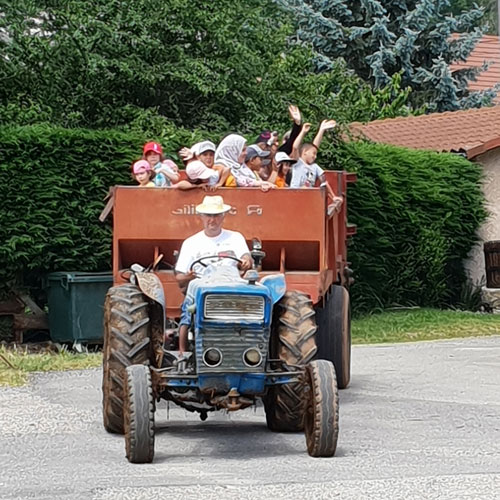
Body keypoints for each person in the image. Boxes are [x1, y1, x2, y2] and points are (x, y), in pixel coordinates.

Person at [175, 195, 253, 353]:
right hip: (203, 284)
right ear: (202, 217)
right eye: (209, 215)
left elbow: (247, 257)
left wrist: (245, 260)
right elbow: (180, 277)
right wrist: (189, 276)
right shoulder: (191, 243)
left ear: (223, 216)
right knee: (188, 309)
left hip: (232, 284)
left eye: (216, 215)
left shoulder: (235, 238)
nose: (213, 220)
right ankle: (182, 353)